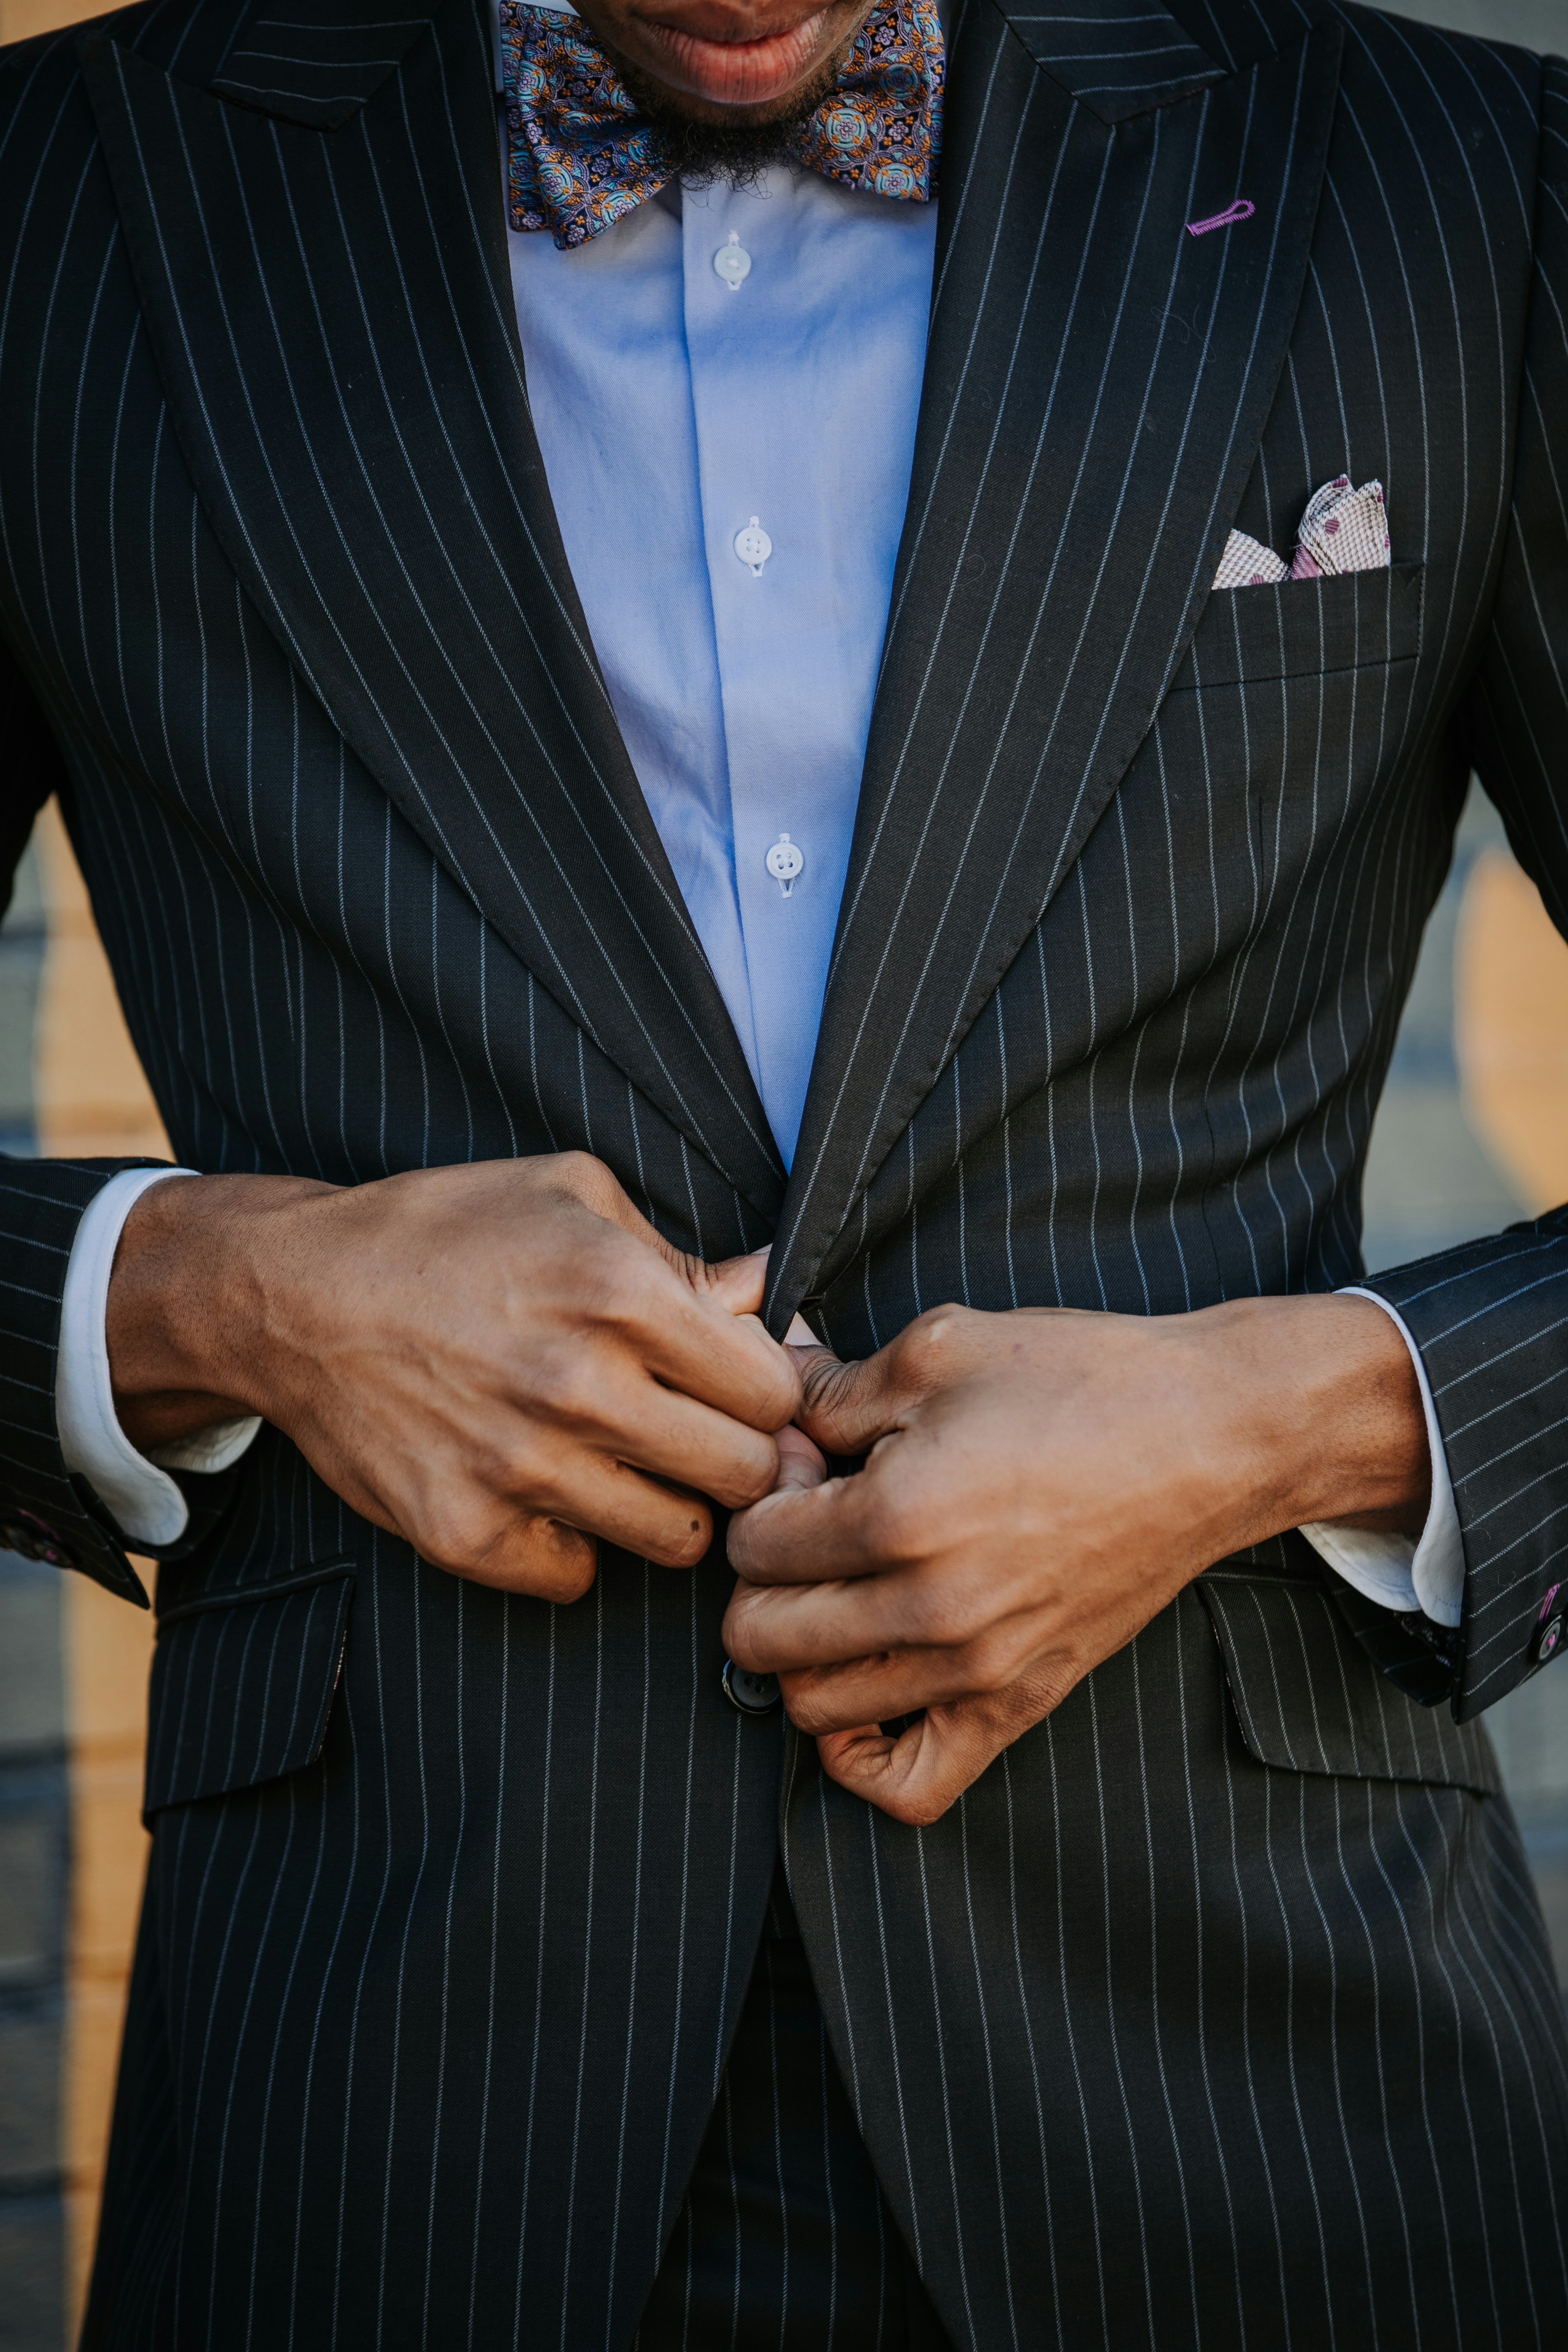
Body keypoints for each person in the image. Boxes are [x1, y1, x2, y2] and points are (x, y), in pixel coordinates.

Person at [2, 0, 1566, 2339]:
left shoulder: (1465, 185)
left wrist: (1293, 1419)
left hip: (1278, 2120)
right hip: (392, 2140)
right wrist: (222, 1295)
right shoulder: (53, 203)